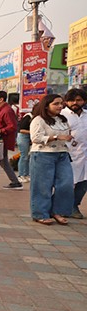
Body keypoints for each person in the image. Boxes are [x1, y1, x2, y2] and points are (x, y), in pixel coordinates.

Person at [29, 94, 74, 225]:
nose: (60, 106)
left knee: (66, 184)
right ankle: (40, 213)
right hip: (43, 154)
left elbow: (67, 134)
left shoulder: (62, 119)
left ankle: (57, 211)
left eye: (61, 103)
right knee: (42, 186)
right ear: (46, 105)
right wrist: (55, 137)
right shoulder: (39, 120)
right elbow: (36, 138)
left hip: (62, 153)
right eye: (56, 104)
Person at [0, 90, 23, 190]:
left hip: (1, 140)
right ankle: (15, 182)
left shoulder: (7, 110)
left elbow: (12, 126)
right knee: (2, 162)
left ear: (1, 99)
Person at [62, 88, 87, 218]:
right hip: (67, 154)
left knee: (84, 183)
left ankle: (74, 206)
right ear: (66, 101)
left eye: (78, 100)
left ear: (84, 101)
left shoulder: (86, 115)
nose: (75, 103)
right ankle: (60, 207)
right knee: (67, 183)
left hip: (84, 154)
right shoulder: (61, 115)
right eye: (71, 100)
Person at [16, 110, 33, 183]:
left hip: (29, 137)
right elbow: (21, 130)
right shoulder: (28, 116)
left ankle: (27, 174)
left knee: (28, 157)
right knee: (24, 156)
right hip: (23, 137)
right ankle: (21, 175)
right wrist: (32, 132)